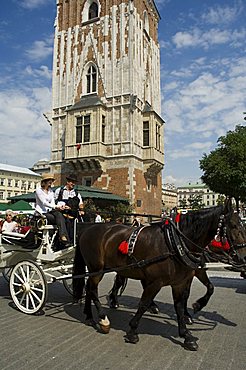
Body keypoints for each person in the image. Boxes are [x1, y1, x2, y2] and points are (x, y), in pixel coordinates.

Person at [35, 173, 71, 248]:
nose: (50, 182)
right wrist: (56, 207)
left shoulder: (51, 191)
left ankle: (63, 238)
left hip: (49, 212)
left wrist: (61, 207)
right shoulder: (39, 190)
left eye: (51, 180)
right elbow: (44, 202)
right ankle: (63, 237)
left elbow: (53, 203)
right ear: (44, 182)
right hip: (41, 213)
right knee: (59, 216)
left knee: (62, 216)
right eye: (49, 180)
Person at [54, 173, 84, 241]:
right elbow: (53, 202)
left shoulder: (76, 193)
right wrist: (60, 206)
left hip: (72, 215)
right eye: (72, 182)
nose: (73, 184)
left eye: (74, 182)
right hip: (62, 213)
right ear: (68, 182)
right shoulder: (59, 191)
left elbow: (81, 204)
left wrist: (81, 210)